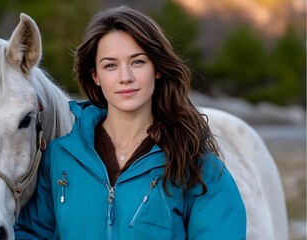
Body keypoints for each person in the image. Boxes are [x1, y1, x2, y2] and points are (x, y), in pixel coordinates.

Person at [14, 6, 246, 240]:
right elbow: (31, 233)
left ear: (156, 68)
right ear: (95, 76)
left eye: (137, 62)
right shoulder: (59, 157)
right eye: (110, 65)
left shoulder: (196, 163)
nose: (126, 77)